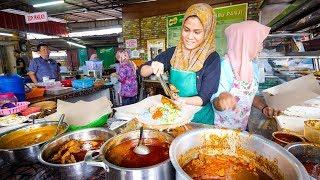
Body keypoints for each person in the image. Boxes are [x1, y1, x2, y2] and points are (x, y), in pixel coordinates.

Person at [139, 3, 221, 123]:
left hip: (199, 119)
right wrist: (152, 66)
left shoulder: (212, 59)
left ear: (207, 33)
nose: (189, 36)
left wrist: (182, 100)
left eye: (197, 32)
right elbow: (142, 71)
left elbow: (204, 98)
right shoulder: (174, 52)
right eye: (186, 30)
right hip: (175, 115)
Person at [211, 21, 281, 130]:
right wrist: (222, 100)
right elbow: (215, 102)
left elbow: (250, 95)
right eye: (259, 42)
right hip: (220, 129)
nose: (261, 47)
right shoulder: (223, 67)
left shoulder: (252, 65)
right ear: (245, 43)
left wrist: (264, 108)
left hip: (241, 127)